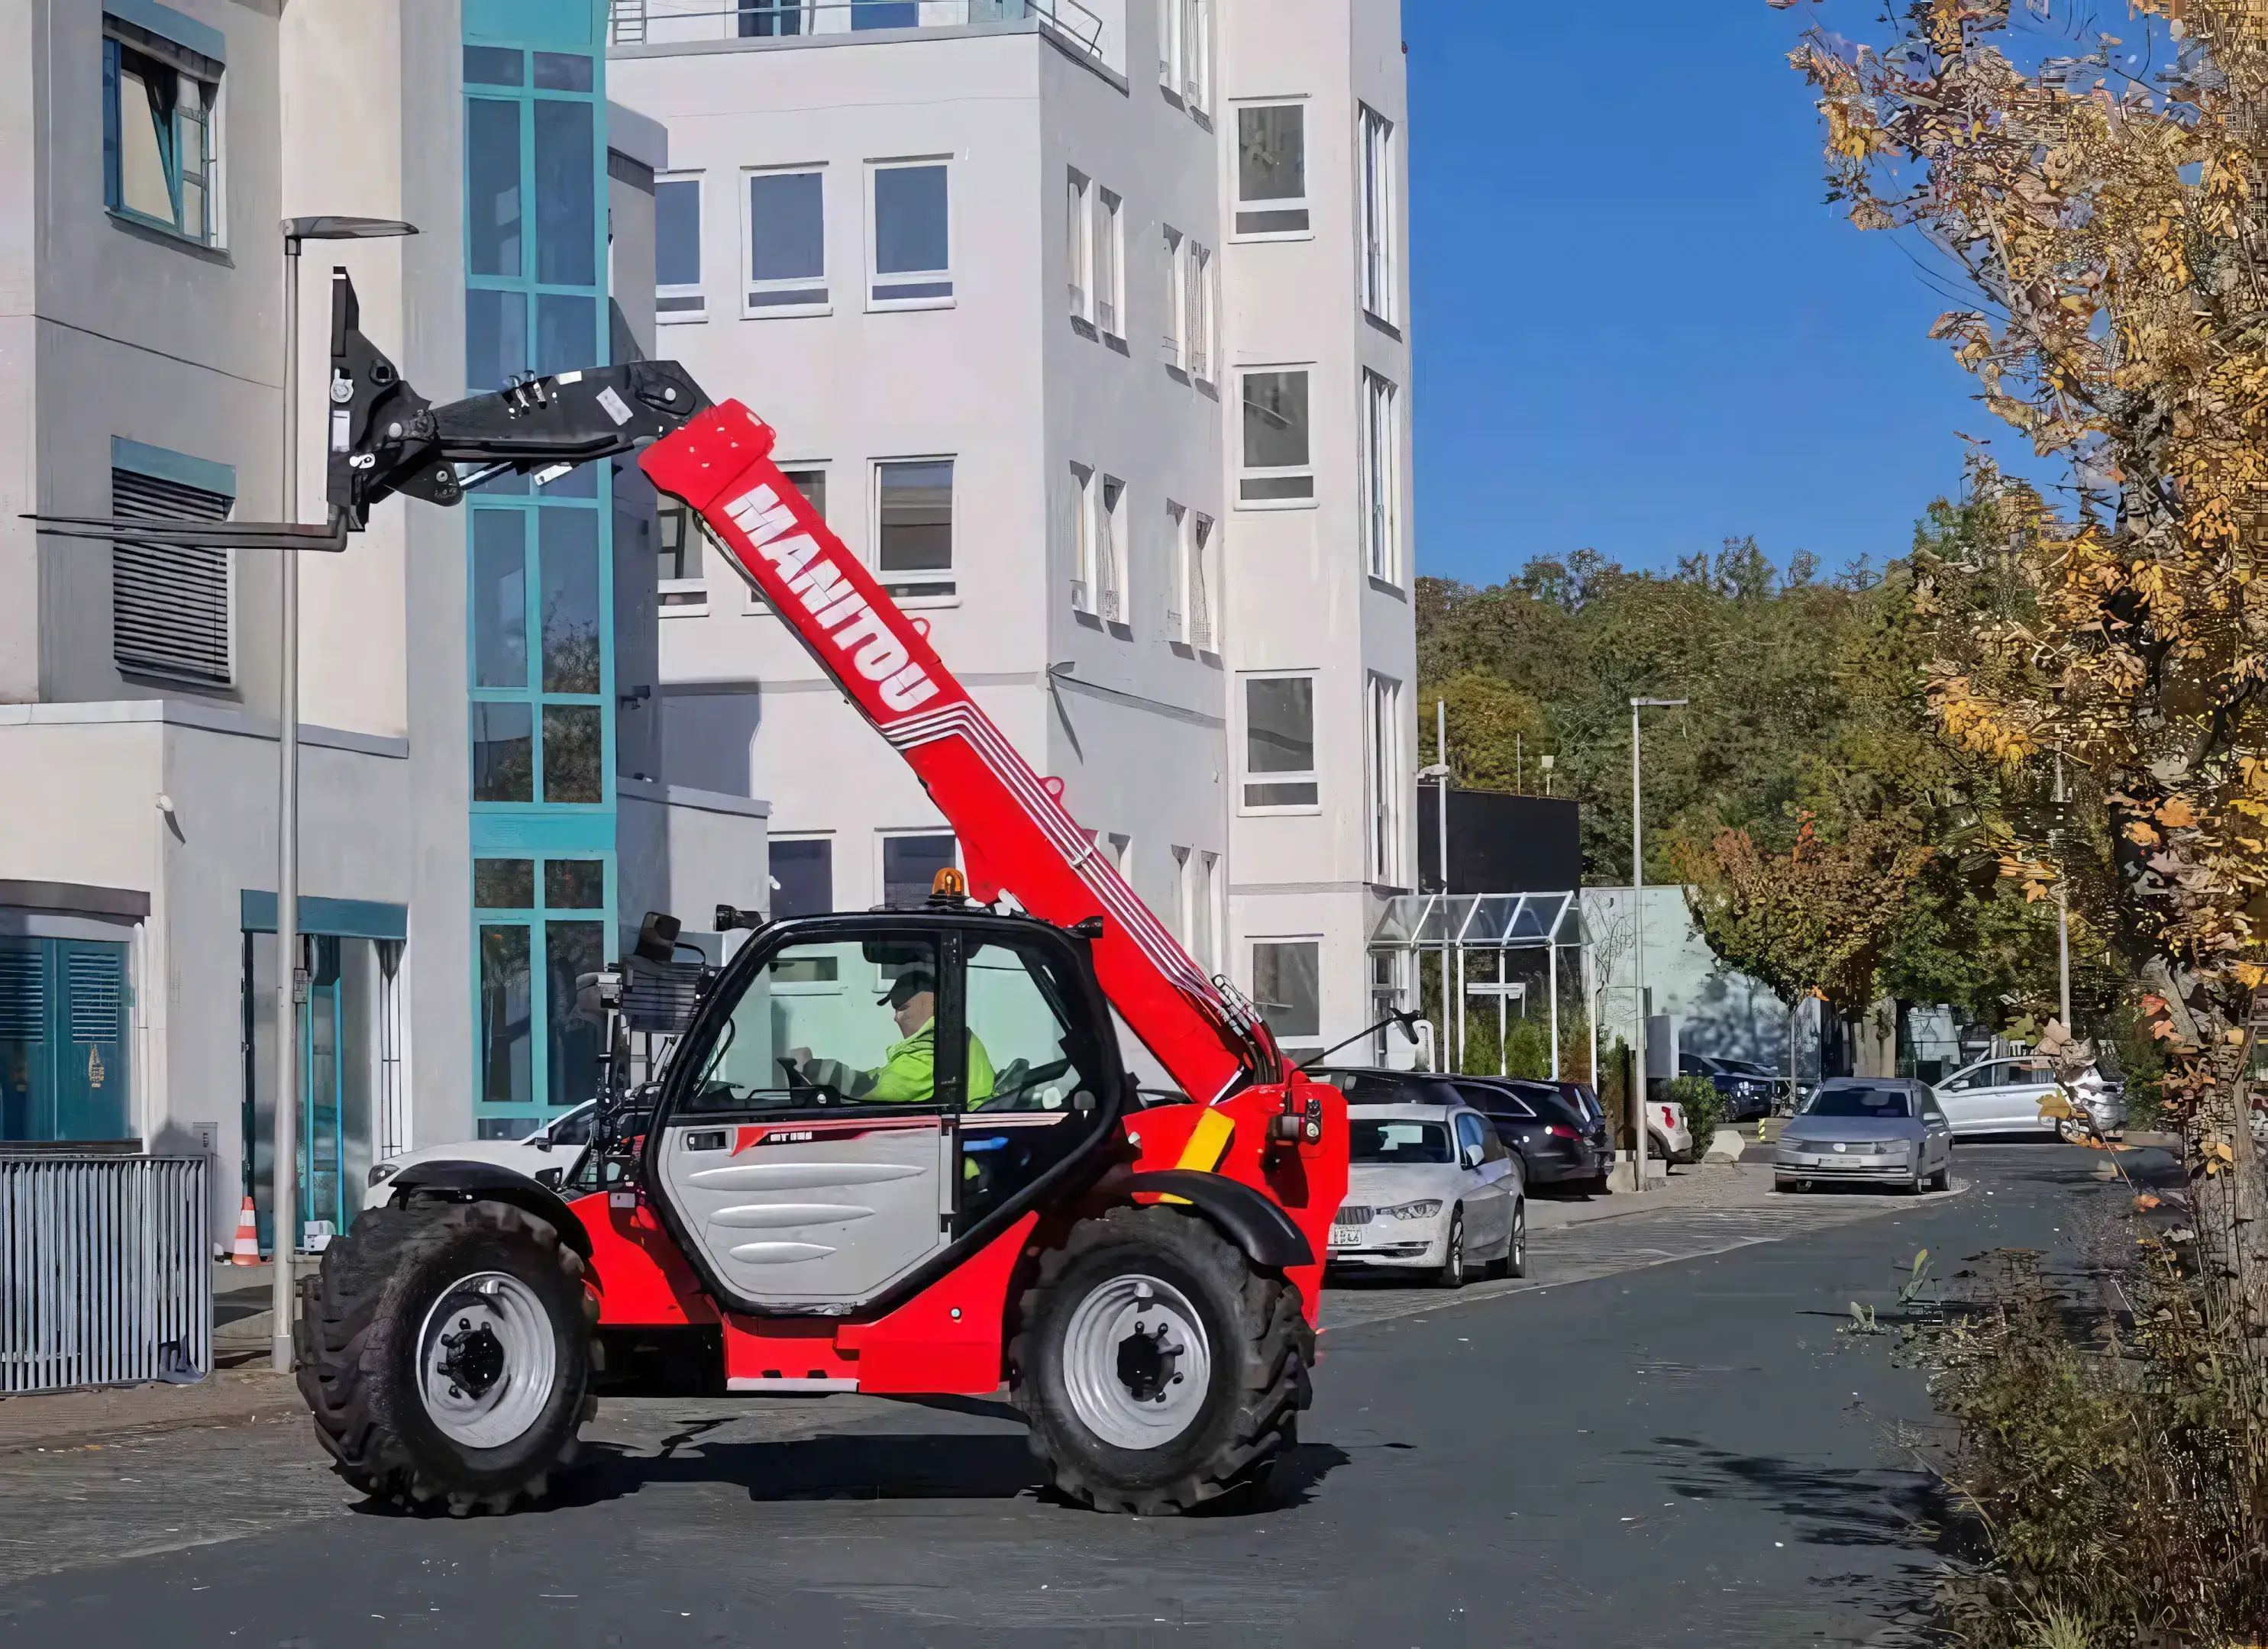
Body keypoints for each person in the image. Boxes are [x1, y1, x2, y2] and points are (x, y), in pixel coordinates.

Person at [788, 967, 993, 1105]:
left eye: (903, 1008)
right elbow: (880, 1076)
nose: (896, 1018)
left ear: (931, 1003)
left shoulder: (936, 1050)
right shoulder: (949, 1036)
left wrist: (812, 1068)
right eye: (895, 1010)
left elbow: (878, 1087)